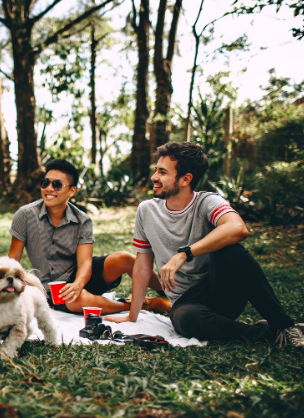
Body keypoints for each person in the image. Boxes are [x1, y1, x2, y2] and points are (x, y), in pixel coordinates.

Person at [106, 142, 304, 347]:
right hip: (187, 304)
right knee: (185, 319)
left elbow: (238, 228)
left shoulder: (208, 202)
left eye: (162, 172)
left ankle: (285, 326)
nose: (154, 177)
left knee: (231, 251)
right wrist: (132, 315)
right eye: (156, 170)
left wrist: (184, 253)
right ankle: (267, 333)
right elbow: (142, 266)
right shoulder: (146, 210)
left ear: (186, 179)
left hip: (220, 290)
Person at [8, 158, 170, 314]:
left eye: (57, 185)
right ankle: (141, 305)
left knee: (124, 258)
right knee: (75, 300)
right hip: (52, 288)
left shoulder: (82, 220)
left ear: (71, 191)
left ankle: (171, 293)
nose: (49, 188)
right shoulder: (25, 215)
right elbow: (13, 259)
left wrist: (78, 284)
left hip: (82, 275)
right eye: (45, 183)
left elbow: (85, 262)